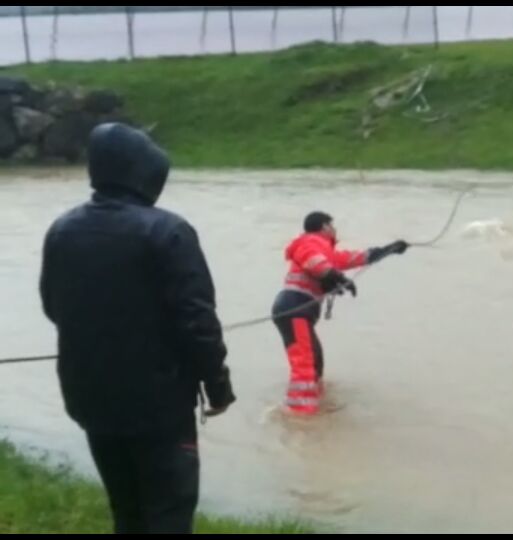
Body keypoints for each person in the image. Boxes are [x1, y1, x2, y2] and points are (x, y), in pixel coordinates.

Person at [39, 123, 235, 534]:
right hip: (159, 406)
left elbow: (52, 306)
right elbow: (198, 322)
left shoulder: (62, 230)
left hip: (89, 398)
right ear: (144, 171)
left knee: (126, 510)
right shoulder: (168, 231)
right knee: (168, 512)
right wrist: (218, 386)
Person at [274, 211, 407, 415]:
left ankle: (312, 407)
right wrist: (335, 276)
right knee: (305, 364)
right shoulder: (310, 241)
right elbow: (314, 261)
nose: (335, 230)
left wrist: (388, 250)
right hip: (295, 310)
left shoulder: (325, 250)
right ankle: (301, 418)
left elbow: (353, 258)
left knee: (315, 359)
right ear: (324, 227)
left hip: (296, 311)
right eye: (332, 225)